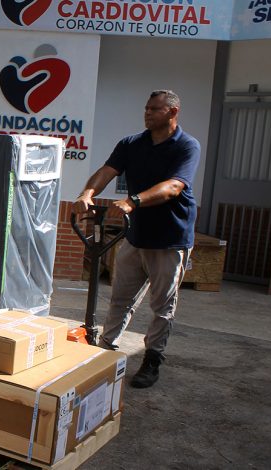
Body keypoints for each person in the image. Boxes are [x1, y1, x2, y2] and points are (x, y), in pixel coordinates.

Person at [73, 90, 200, 389]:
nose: (147, 113)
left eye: (155, 109)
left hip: (170, 238)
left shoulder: (186, 145)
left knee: (162, 305)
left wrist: (134, 201)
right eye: (146, 108)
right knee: (120, 297)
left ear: (172, 112)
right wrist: (87, 193)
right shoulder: (132, 143)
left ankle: (152, 358)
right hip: (136, 235)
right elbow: (107, 171)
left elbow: (173, 187)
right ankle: (104, 350)